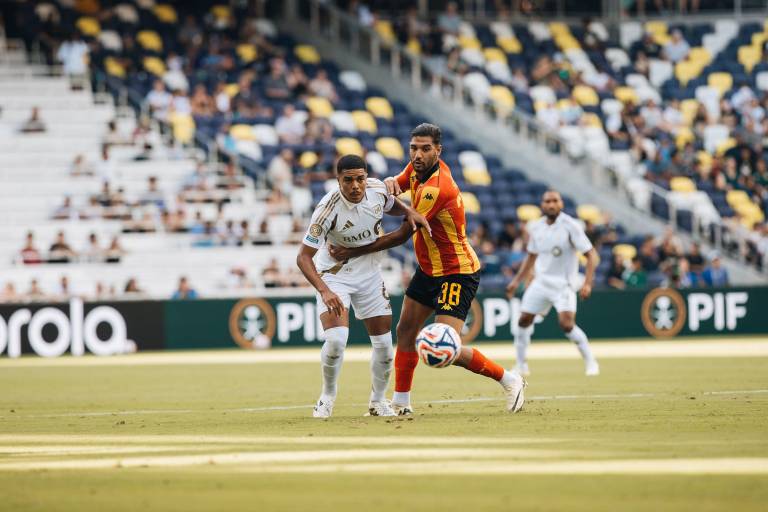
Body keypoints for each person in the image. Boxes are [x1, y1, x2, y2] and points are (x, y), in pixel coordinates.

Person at [326, 124, 526, 415]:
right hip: (429, 269)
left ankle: (509, 379)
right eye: (414, 148)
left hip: (457, 271)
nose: (417, 155)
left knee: (445, 347)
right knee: (406, 330)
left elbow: (403, 233)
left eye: (425, 149)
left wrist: (351, 251)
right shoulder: (416, 169)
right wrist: (390, 181)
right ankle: (401, 402)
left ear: (438, 151)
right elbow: (398, 183)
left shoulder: (437, 188)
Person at [296, 154, 430, 418]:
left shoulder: (377, 190)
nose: (355, 186)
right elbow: (303, 257)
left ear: (367, 178)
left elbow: (392, 204)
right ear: (338, 181)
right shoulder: (327, 209)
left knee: (384, 347)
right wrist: (325, 290)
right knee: (336, 341)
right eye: (348, 180)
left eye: (360, 179)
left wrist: (409, 211)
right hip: (334, 276)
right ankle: (327, 396)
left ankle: (378, 401)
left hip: (369, 274)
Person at [506, 190, 600, 377]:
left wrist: (587, 283)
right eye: (547, 201)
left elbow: (591, 255)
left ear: (561, 204)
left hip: (563, 285)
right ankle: (521, 365)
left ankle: (591, 362)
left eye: (555, 201)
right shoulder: (536, 227)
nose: (551, 204)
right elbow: (531, 257)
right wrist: (516, 282)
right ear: (542, 205)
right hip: (540, 283)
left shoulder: (571, 226)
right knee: (523, 320)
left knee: (567, 325)